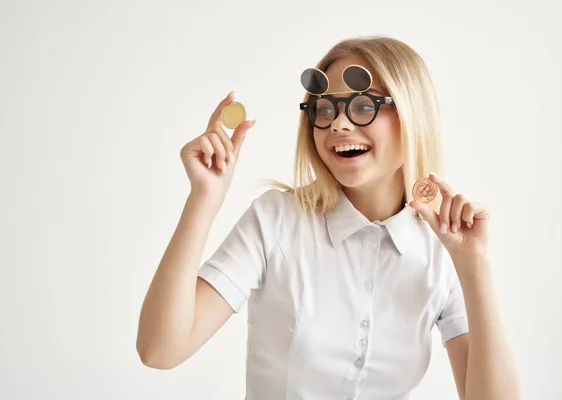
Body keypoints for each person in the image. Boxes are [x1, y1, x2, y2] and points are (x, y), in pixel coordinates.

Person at [136, 36, 521, 399]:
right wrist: (204, 197)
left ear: (411, 114)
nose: (337, 124)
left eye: (364, 105)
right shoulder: (276, 220)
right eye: (324, 108)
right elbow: (160, 349)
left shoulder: (444, 248)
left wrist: (475, 266)